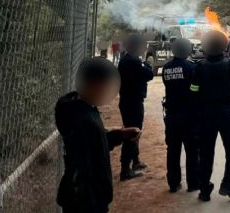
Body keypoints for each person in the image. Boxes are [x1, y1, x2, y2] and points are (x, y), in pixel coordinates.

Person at [55, 57, 141, 213]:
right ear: (94, 85)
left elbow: (93, 144)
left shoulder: (77, 106)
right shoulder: (84, 120)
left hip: (80, 195)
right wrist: (97, 201)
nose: (108, 91)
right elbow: (89, 160)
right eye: (106, 86)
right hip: (86, 199)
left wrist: (119, 135)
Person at [191, 30, 230, 202]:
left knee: (206, 153)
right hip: (226, 113)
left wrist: (197, 115)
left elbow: (193, 93)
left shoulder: (199, 66)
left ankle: (205, 190)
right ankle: (229, 185)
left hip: (205, 115)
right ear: (224, 45)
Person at [161, 38, 200, 193]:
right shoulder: (191, 67)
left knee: (173, 150)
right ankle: (193, 183)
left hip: (171, 114)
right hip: (189, 115)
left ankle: (173, 183)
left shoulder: (166, 68)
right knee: (192, 149)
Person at [117, 33, 154, 180]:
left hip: (130, 100)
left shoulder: (128, 59)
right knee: (132, 133)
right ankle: (125, 169)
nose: (144, 49)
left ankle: (135, 161)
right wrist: (147, 63)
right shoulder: (132, 61)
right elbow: (149, 74)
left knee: (134, 131)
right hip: (132, 102)